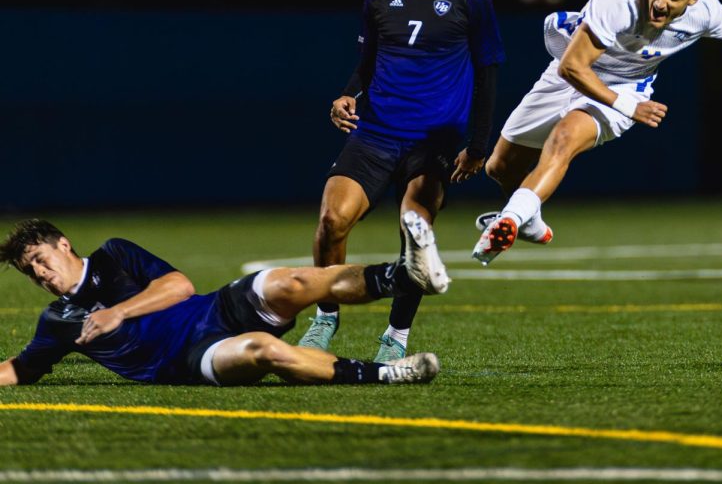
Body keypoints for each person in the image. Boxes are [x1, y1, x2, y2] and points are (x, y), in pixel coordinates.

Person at [471, 0, 722, 265]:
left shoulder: (705, 13)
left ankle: (508, 221)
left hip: (626, 85)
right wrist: (627, 107)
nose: (660, 2)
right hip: (575, 69)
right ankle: (530, 221)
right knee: (499, 167)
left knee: (563, 140)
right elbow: (571, 67)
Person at [302, 0, 505, 361]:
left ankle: (396, 336)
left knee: (415, 229)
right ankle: (325, 318)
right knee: (332, 219)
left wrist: (478, 144)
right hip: (375, 133)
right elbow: (366, 62)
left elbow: (489, 72)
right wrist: (347, 93)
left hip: (433, 141)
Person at [0, 219, 439, 386]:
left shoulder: (114, 254)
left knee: (291, 281)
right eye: (29, 270)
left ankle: (403, 275)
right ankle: (388, 374)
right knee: (264, 350)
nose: (39, 273)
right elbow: (19, 370)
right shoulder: (58, 320)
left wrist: (117, 312)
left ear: (63, 244)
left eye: (39, 259)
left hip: (212, 309)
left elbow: (179, 286)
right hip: (191, 359)